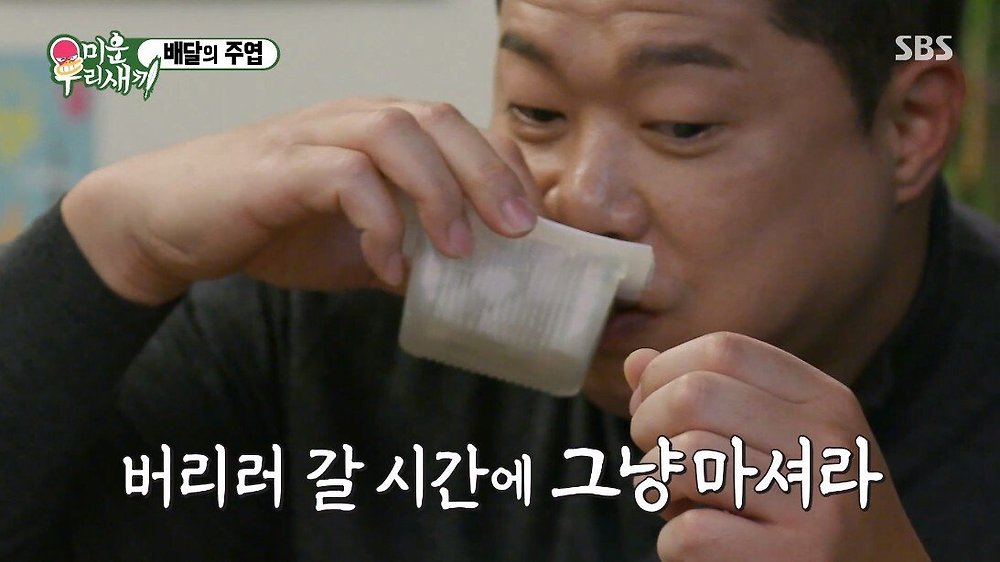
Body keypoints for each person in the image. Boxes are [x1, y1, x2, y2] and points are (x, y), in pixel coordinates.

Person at [1, 0, 997, 560]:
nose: (581, 198)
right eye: (537, 112)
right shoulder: (326, 320)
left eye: (680, 124)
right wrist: (108, 251)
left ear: (910, 127)